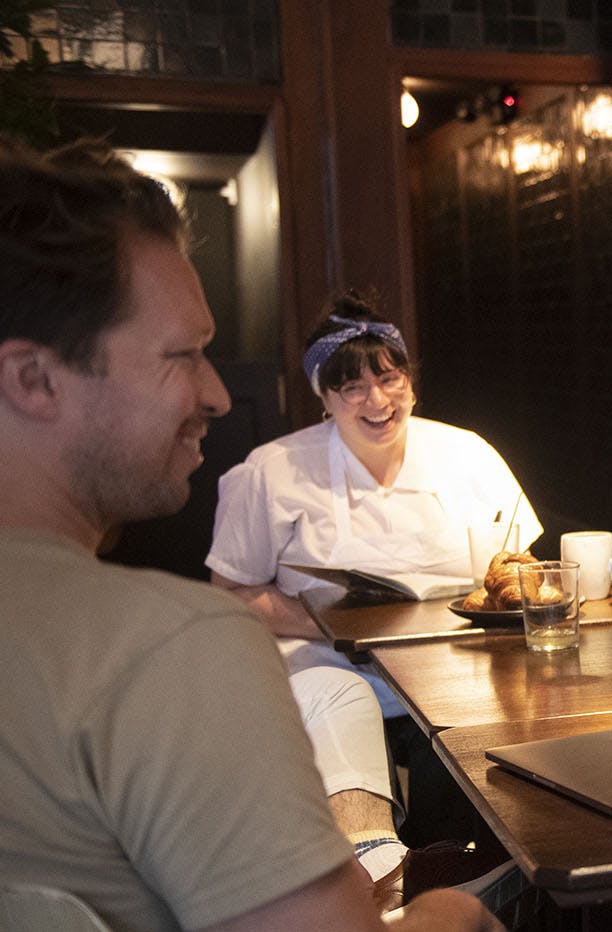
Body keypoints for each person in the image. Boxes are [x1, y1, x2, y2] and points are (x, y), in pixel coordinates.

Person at [0, 136, 497, 931]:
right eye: (183, 356)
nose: (217, 395)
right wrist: (452, 917)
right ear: (33, 379)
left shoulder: (464, 453)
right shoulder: (170, 650)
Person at [206, 292, 541, 864]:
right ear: (322, 394)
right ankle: (373, 872)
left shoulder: (466, 452)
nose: (378, 401)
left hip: (449, 663)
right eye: (352, 387)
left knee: (470, 778)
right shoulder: (272, 469)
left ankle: (458, 877)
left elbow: (521, 565)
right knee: (344, 715)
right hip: (328, 663)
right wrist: (333, 622)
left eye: (391, 380)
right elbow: (230, 592)